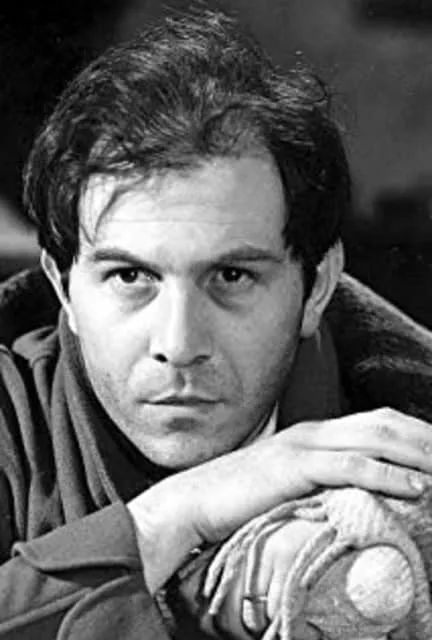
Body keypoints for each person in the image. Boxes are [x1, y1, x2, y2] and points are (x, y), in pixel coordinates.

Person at [0, 8, 432, 639]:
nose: (178, 345)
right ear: (64, 287)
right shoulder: (9, 420)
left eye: (231, 277)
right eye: (130, 276)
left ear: (317, 286)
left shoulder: (412, 429)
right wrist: (170, 518)